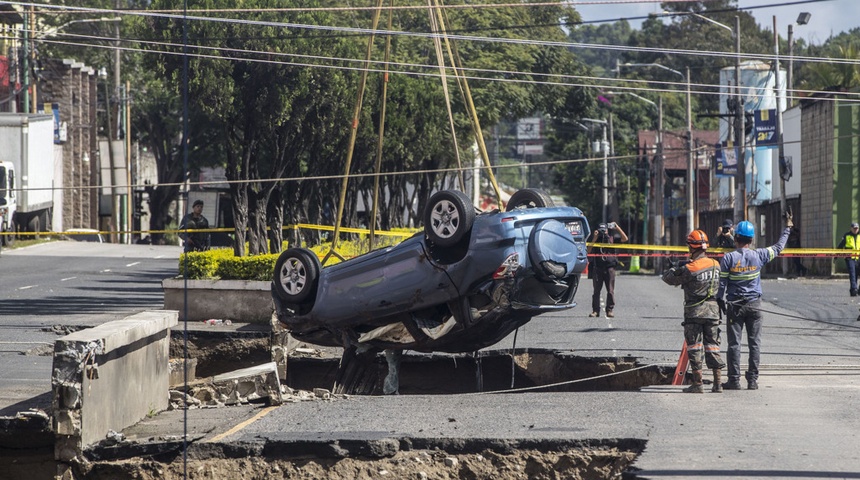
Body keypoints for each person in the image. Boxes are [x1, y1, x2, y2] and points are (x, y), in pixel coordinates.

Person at [716, 213, 792, 390]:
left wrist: (720, 299)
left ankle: (734, 380)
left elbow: (722, 284)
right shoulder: (760, 255)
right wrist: (788, 228)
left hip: (735, 306)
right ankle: (752, 380)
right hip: (755, 306)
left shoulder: (728, 258)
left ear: (736, 238)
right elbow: (779, 247)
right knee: (754, 343)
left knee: (734, 344)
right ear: (751, 239)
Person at [662, 230, 725, 393]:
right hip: (713, 311)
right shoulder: (715, 265)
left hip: (694, 312)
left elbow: (668, 279)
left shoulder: (690, 268)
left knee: (695, 347)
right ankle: (718, 383)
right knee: (713, 346)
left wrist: (673, 269)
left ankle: (698, 384)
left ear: (691, 247)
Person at [587, 222, 628, 318]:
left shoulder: (612, 239)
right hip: (598, 268)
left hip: (610, 268)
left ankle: (609, 310)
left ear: (607, 230)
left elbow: (625, 238)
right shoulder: (596, 240)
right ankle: (595, 311)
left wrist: (617, 227)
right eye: (601, 230)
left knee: (610, 290)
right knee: (596, 291)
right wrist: (594, 238)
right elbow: (588, 251)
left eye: (604, 230)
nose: (603, 232)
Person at [836, 222, 860, 296]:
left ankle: (856, 288)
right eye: (854, 228)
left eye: (857, 228)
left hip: (858, 258)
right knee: (852, 273)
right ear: (851, 228)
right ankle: (853, 289)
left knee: (856, 274)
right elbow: (840, 246)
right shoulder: (847, 236)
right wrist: (836, 255)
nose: (855, 230)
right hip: (850, 258)